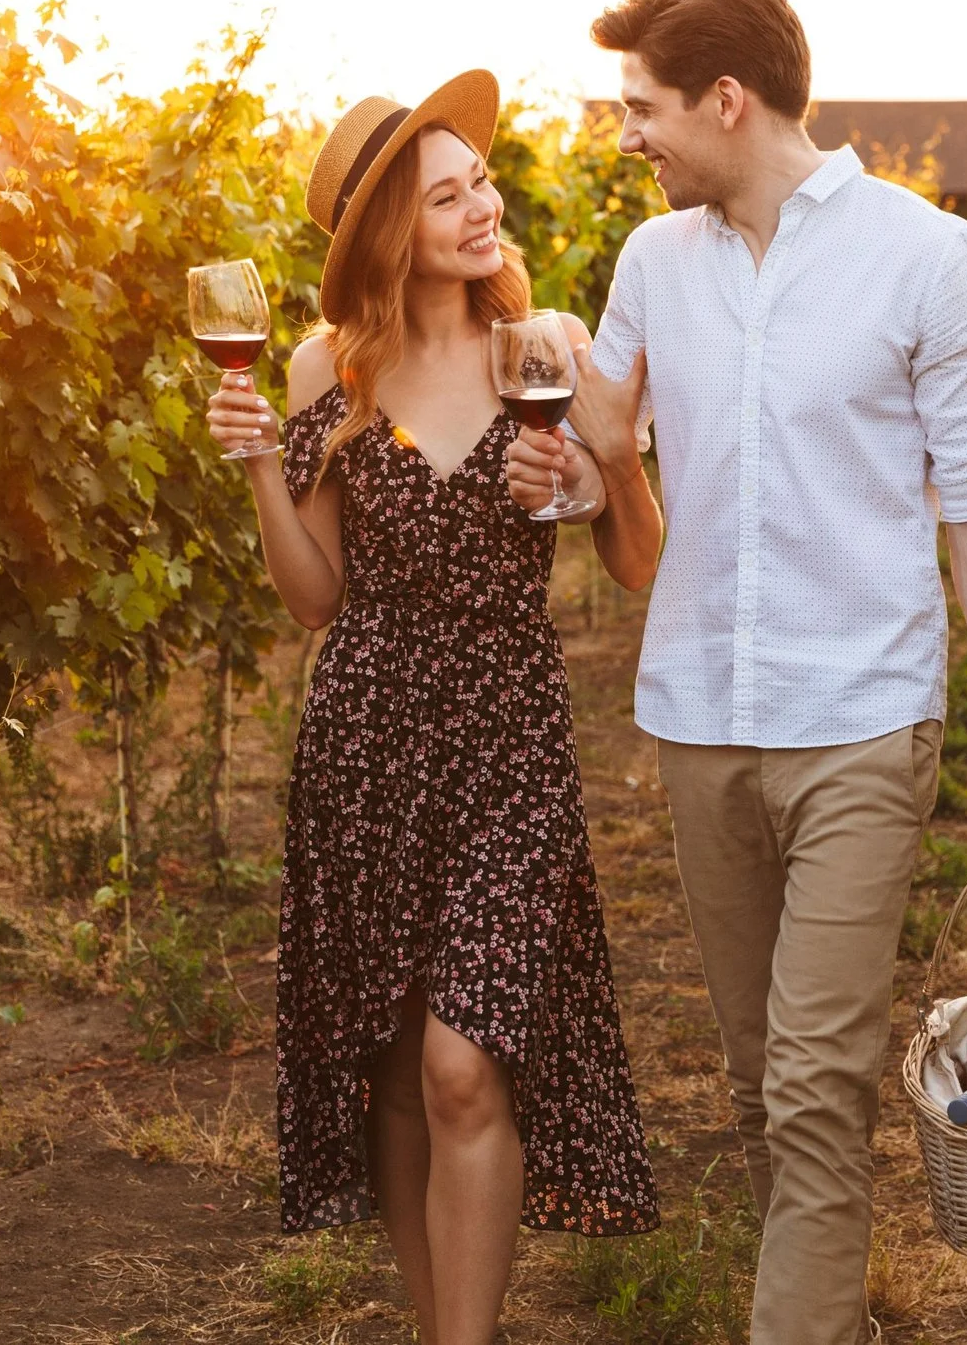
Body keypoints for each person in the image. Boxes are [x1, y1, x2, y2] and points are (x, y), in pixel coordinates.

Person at [506, 0, 967, 1345]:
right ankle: (828, 1308)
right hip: (701, 712)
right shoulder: (653, 261)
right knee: (767, 1080)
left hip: (861, 720)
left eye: (640, 107)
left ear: (726, 97)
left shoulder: (924, 256)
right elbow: (616, 463)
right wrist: (567, 461)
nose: (625, 135)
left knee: (818, 1081)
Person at [206, 70, 658, 1345]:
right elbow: (313, 599)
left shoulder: (547, 349)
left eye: (482, 182)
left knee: (466, 1063)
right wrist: (257, 464)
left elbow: (635, 554)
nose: (485, 207)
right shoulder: (324, 370)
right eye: (448, 193)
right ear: (389, 234)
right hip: (366, 738)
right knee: (401, 1075)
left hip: (508, 735)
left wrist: (583, 474)